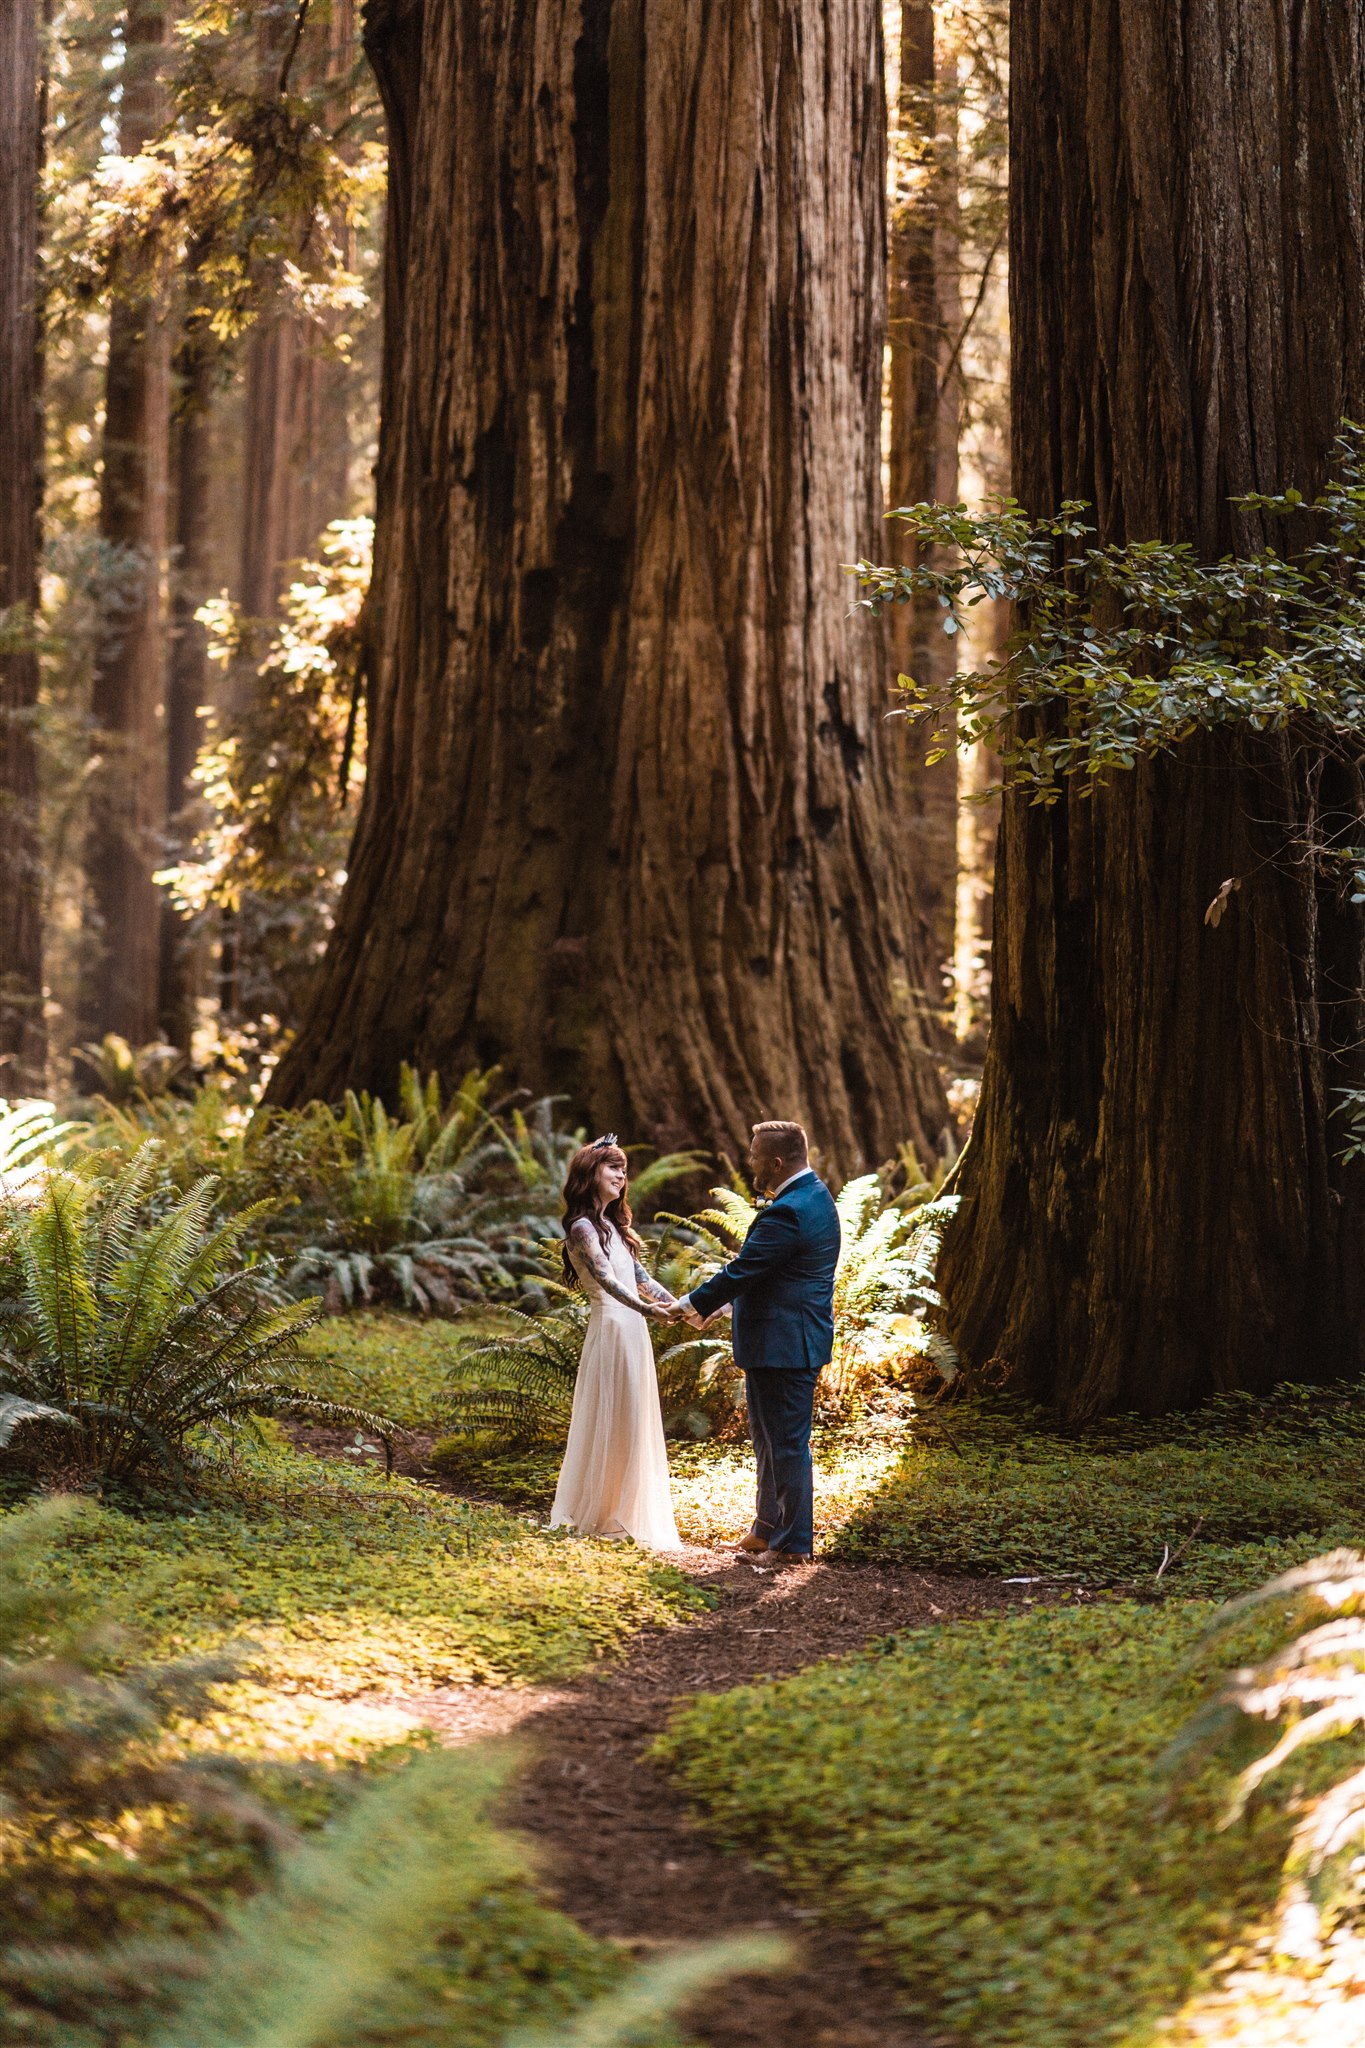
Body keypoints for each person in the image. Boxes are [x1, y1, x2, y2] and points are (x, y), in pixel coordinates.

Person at [670, 1120, 839, 1566]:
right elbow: (772, 1274)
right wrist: (721, 1309)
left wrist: (691, 1303)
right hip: (780, 1339)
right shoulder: (813, 1196)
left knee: (785, 1444)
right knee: (767, 1440)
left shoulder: (790, 1210)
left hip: (786, 1344)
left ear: (777, 1162)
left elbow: (745, 1270)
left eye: (754, 1155)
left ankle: (793, 1544)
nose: (750, 1162)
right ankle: (765, 1529)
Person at [549, 1136, 682, 1550]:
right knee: (613, 1415)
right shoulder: (583, 1227)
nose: (622, 1176)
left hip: (633, 1330)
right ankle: (601, 1512)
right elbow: (606, 1280)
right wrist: (648, 1311)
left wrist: (685, 1308)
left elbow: (641, 1280)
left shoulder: (613, 1227)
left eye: (624, 1169)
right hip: (611, 1329)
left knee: (633, 1419)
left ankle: (621, 1511)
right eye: (613, 1168)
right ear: (591, 1174)